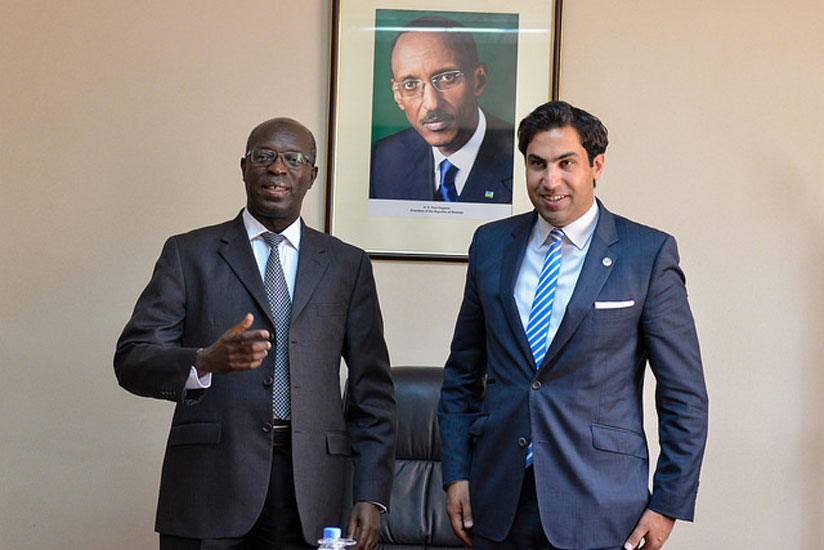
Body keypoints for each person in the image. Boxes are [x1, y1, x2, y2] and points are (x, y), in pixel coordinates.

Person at [115, 118, 396, 550]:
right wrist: (202, 361)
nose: (277, 168)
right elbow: (132, 359)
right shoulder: (188, 254)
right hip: (209, 485)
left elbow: (372, 390)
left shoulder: (347, 265)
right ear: (244, 167)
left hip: (312, 489)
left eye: (293, 159)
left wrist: (371, 494)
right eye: (264, 156)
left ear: (312, 175)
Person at [437, 101, 708, 550]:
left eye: (567, 164)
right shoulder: (489, 245)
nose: (550, 180)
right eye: (537, 164)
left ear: (596, 165)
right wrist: (457, 473)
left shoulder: (647, 254)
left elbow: (684, 394)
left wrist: (667, 504)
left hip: (601, 506)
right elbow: (462, 375)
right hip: (497, 499)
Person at [369, 15, 514, 204]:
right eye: (411, 84)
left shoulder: (520, 157)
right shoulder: (383, 158)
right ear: (397, 94)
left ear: (479, 80)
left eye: (447, 78)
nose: (431, 104)